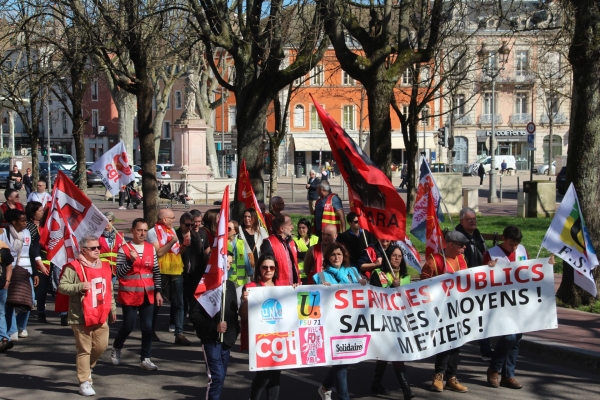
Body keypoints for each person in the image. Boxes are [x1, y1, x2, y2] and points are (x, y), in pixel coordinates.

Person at [58, 235, 117, 397]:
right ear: (83, 250)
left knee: (101, 346)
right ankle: (84, 381)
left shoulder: (105, 266)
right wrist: (79, 286)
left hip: (100, 313)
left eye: (98, 247)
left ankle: (87, 367)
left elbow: (109, 289)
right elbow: (62, 286)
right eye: (93, 248)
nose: (97, 250)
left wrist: (112, 307)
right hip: (81, 314)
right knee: (84, 349)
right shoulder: (74, 267)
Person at [314, 243, 367, 400]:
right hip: (334, 324)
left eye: (339, 254)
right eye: (333, 255)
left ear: (344, 256)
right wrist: (322, 288)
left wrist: (364, 283)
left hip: (353, 322)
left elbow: (364, 291)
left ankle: (324, 388)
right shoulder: (321, 276)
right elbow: (316, 297)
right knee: (341, 363)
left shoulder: (353, 272)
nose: (336, 257)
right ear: (328, 258)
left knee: (343, 361)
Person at [110, 218, 163, 371]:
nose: (142, 233)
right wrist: (129, 262)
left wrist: (158, 292)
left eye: (145, 231)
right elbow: (118, 273)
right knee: (129, 325)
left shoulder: (150, 248)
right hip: (130, 293)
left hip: (148, 293)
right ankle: (117, 347)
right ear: (132, 230)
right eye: (139, 230)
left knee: (147, 327)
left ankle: (145, 358)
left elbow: (156, 272)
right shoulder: (124, 248)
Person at [420, 230, 469, 393]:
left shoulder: (462, 259)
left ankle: (452, 377)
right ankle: (438, 375)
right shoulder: (435, 260)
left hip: (458, 308)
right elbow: (422, 284)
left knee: (456, 343)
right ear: (450, 245)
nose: (464, 248)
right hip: (440, 310)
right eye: (461, 245)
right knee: (444, 342)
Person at [482, 225, 531, 390]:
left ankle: (508, 375)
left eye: (516, 244)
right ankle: (494, 369)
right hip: (500, 303)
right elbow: (481, 279)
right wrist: (488, 269)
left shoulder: (522, 251)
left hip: (519, 302)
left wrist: (547, 264)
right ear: (504, 239)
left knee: (516, 339)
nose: (514, 247)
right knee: (509, 337)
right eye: (511, 244)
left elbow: (531, 270)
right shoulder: (492, 254)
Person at [240, 254, 292, 400]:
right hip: (260, 339)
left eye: (271, 267)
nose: (268, 270)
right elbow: (243, 316)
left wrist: (294, 291)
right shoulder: (251, 288)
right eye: (264, 267)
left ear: (275, 269)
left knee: (275, 374)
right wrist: (245, 302)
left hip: (278, 337)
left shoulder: (282, 287)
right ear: (259, 269)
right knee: (264, 375)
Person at [190, 251, 240, 400]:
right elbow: (194, 315)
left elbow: (233, 312)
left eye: (230, 264)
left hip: (226, 341)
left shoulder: (230, 285)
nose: (228, 266)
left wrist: (234, 332)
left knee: (221, 377)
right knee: (216, 377)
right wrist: (214, 327)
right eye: (226, 263)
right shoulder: (204, 285)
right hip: (211, 340)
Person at [369, 245, 414, 399]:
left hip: (401, 321)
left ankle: (376, 382)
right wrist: (390, 287)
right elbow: (374, 295)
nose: (396, 258)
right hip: (384, 320)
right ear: (388, 257)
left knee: (386, 352)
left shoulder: (406, 277)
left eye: (399, 256)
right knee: (396, 352)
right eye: (393, 255)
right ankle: (406, 389)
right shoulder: (378, 274)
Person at [148, 208, 191, 345]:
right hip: (160, 271)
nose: (174, 220)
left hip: (175, 270)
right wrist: (173, 241)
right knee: (157, 303)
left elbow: (177, 251)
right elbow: (159, 252)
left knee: (179, 303)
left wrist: (183, 245)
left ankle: (179, 334)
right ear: (164, 219)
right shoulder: (152, 232)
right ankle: (150, 330)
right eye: (172, 217)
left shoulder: (171, 231)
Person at [454, 207, 492, 360]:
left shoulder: (478, 236)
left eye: (474, 218)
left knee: (482, 315)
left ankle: (485, 349)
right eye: (469, 219)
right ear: (461, 221)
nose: (472, 221)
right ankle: (452, 350)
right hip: (463, 284)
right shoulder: (456, 238)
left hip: (480, 282)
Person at [0, 209, 43, 342]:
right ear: (14, 221)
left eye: (25, 220)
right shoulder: (4, 233)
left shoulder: (26, 232)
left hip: (26, 270)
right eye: (22, 221)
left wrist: (35, 272)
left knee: (28, 299)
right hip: (10, 269)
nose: (25, 223)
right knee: (10, 301)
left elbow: (30, 251)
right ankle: (11, 330)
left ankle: (21, 325)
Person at [176, 212, 207, 320]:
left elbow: (200, 254)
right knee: (180, 299)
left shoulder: (195, 235)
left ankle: (193, 318)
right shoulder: (175, 235)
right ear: (181, 224)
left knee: (193, 297)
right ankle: (178, 321)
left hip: (194, 272)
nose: (190, 227)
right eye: (187, 224)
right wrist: (183, 245)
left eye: (191, 224)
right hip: (180, 271)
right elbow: (175, 253)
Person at [26, 202, 51, 323]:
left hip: (49, 261)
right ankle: (37, 311)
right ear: (32, 213)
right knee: (38, 289)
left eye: (43, 210)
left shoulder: (47, 225)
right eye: (39, 211)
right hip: (35, 261)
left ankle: (41, 310)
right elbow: (32, 248)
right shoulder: (28, 227)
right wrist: (40, 264)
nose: (42, 212)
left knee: (45, 289)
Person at [260, 214, 301, 286]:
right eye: (290, 224)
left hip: (295, 286)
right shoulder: (269, 242)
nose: (292, 227)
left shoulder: (292, 242)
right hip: (279, 288)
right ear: (282, 228)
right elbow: (266, 267)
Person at [238, 208, 268, 275]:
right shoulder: (239, 230)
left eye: (249, 216)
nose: (246, 219)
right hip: (244, 262)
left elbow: (267, 245)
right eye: (245, 217)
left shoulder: (261, 230)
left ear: (254, 217)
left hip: (259, 262)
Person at [99, 212, 124, 279]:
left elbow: (124, 252)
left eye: (108, 221)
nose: (106, 222)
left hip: (115, 270)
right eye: (105, 220)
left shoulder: (120, 236)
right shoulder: (98, 236)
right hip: (102, 269)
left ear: (112, 222)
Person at [293, 218, 319, 284]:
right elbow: (296, 255)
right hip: (301, 275)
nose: (301, 230)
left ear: (308, 228)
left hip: (316, 272)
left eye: (303, 228)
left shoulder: (315, 239)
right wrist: (312, 253)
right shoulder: (294, 240)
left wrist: (302, 253)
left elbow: (318, 254)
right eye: (299, 228)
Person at [0, 238, 15, 353]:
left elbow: (9, 265)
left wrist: (8, 281)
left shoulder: (3, 248)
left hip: (2, 286)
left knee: (1, 312)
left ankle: (3, 338)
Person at [228, 220, 252, 288]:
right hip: (228, 279)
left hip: (240, 281)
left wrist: (250, 273)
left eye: (229, 229)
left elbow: (246, 260)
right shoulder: (222, 243)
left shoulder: (241, 243)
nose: (226, 231)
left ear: (235, 231)